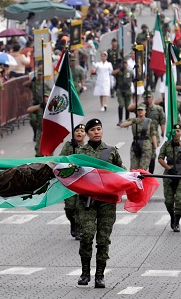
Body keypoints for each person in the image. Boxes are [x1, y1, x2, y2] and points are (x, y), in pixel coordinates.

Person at [76, 119, 124, 288]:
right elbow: (72, 175)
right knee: (87, 235)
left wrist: (133, 177)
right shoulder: (80, 152)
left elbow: (121, 172)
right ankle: (85, 273)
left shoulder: (111, 151)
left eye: (99, 129)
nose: (96, 132)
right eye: (93, 130)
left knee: (103, 239)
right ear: (88, 133)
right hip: (87, 200)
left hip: (107, 201)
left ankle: (100, 275)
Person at [158, 124, 181, 232]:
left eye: (178, 131)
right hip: (169, 173)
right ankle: (172, 216)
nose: (176, 132)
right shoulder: (167, 144)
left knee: (179, 198)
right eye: (174, 131)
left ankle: (177, 221)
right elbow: (160, 158)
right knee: (169, 201)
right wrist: (168, 167)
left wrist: (179, 144)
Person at [59, 124, 87, 240]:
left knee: (80, 206)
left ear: (85, 134)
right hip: (70, 181)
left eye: (82, 131)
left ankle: (78, 228)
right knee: (70, 207)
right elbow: (61, 159)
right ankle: (73, 222)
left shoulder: (88, 147)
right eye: (77, 131)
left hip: (82, 181)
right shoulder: (68, 145)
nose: (79, 133)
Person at [119, 104, 157, 170]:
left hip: (146, 145)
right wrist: (133, 121)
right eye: (139, 110)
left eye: (142, 110)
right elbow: (122, 125)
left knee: (143, 168)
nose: (140, 112)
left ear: (145, 111)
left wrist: (156, 147)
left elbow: (153, 135)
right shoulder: (133, 120)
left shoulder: (149, 121)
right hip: (136, 145)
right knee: (134, 168)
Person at [27, 89, 49, 156]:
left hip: (50, 131)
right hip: (41, 130)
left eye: (47, 97)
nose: (45, 99)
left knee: (49, 151)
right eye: (44, 97)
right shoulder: (40, 106)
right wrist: (39, 106)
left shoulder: (53, 107)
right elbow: (29, 110)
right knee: (39, 150)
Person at [112, 61, 133, 125]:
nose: (124, 65)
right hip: (120, 90)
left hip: (128, 90)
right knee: (121, 105)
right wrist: (119, 69)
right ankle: (120, 120)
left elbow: (133, 80)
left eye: (125, 63)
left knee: (127, 106)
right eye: (123, 63)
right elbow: (112, 73)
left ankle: (127, 120)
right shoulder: (119, 71)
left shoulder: (130, 72)